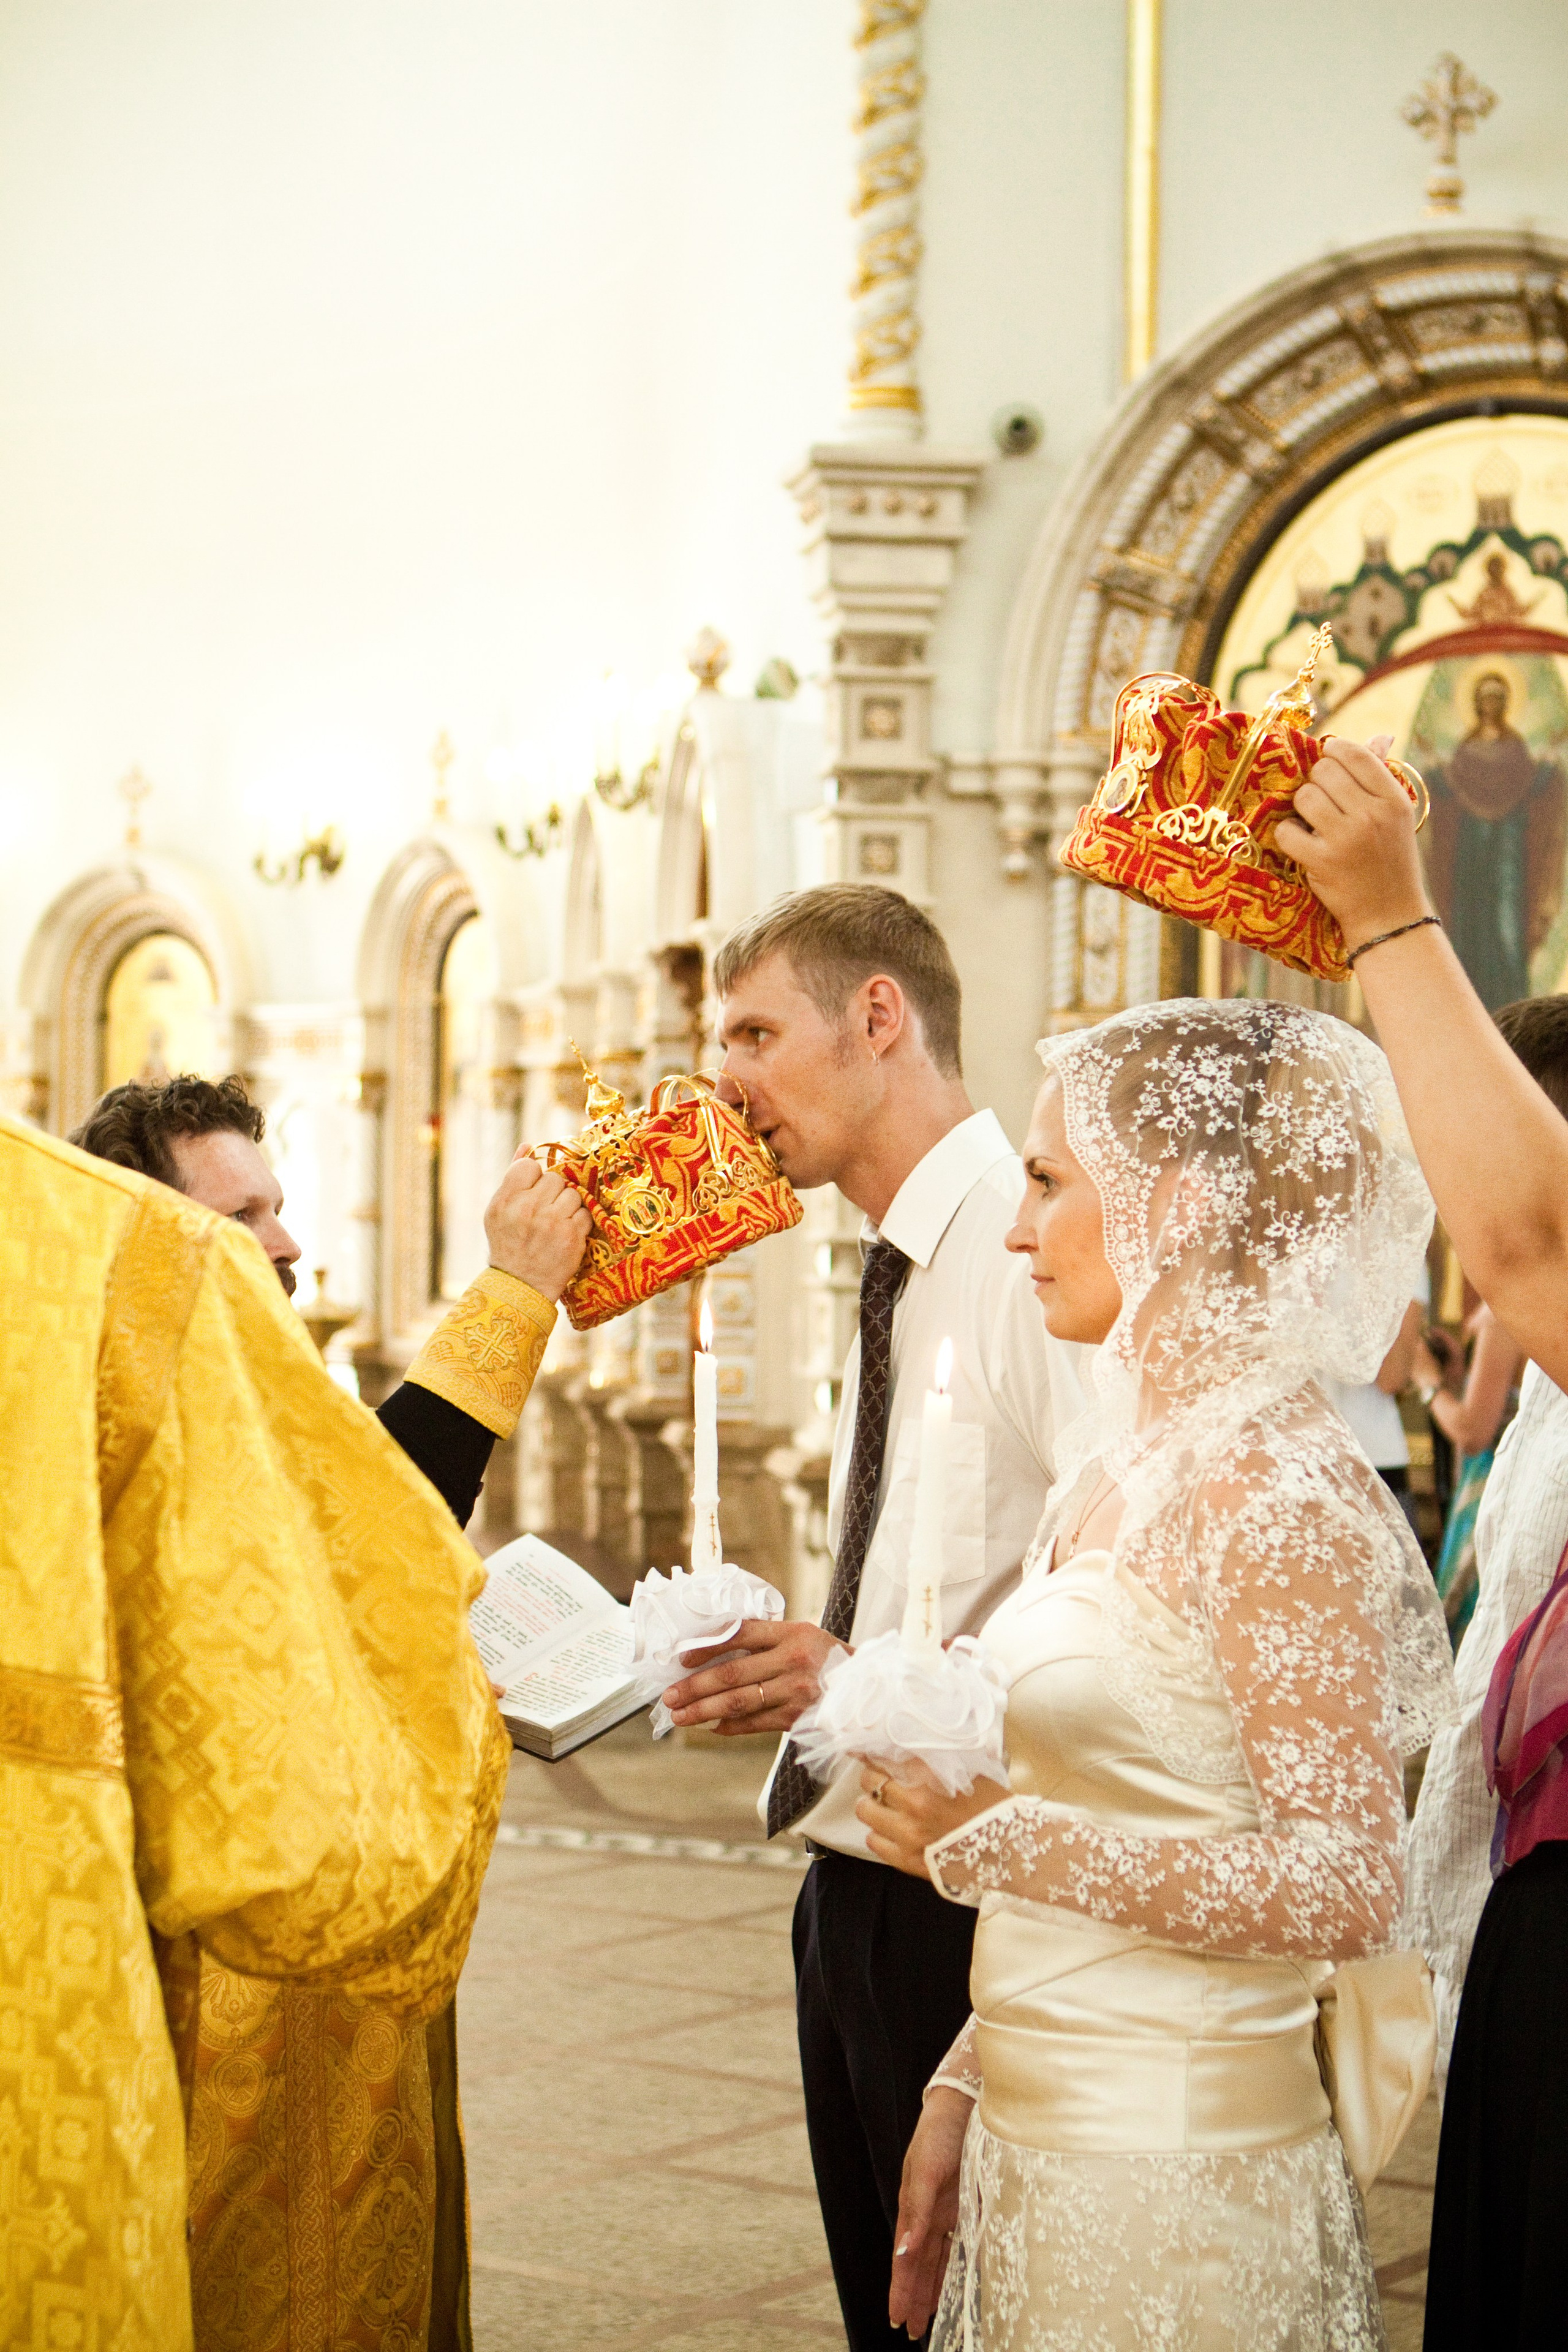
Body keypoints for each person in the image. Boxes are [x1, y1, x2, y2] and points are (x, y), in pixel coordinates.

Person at [862, 998, 1453, 2350]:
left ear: (1173, 1204)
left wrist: (996, 1841)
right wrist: (961, 2086)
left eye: (1046, 1181)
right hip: (1042, 2133)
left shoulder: (1276, 1492)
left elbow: (1350, 1883)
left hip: (1182, 2181)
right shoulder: (1117, 1465)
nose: (1016, 1232)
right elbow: (1114, 1800)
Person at [68, 1070, 589, 2352]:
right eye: (244, 1217)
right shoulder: (123, 1411)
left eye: (281, 1207)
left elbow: (359, 1553)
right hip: (237, 1980)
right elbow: (370, 1537)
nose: (290, 1243)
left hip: (328, 1964)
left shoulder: (245, 1385)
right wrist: (510, 1297)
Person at [658, 884, 1083, 2352]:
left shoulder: (1030, 1251)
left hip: (962, 1886)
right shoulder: (896, 1255)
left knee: (957, 2315)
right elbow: (926, 1553)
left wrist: (869, 1676)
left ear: (878, 1017)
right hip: (849, 1875)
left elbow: (1123, 1581)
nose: (725, 1082)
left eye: (754, 1034)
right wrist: (813, 1668)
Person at [1417, 1301, 1524, 1643]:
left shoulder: (1502, 1315)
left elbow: (1473, 1432)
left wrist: (1428, 1383)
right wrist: (1457, 1379)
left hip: (1495, 1485)